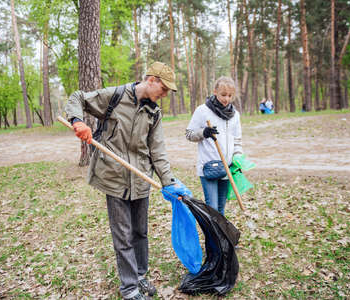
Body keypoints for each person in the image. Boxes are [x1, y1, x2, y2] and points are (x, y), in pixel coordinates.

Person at [65, 61, 191, 300]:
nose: (164, 95)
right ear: (151, 80)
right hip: (114, 178)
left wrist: (169, 181)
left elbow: (158, 151)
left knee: (140, 232)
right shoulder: (115, 96)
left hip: (141, 179)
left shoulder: (154, 113)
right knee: (123, 235)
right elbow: (78, 97)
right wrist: (77, 121)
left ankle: (140, 276)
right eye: (163, 89)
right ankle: (129, 288)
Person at [185, 76, 243, 215]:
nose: (226, 99)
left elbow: (237, 140)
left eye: (230, 95)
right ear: (215, 91)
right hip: (209, 168)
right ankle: (212, 237)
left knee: (221, 209)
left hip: (227, 168)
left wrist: (238, 160)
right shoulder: (202, 111)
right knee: (213, 209)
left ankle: (220, 237)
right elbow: (189, 134)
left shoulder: (235, 115)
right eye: (223, 95)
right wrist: (204, 133)